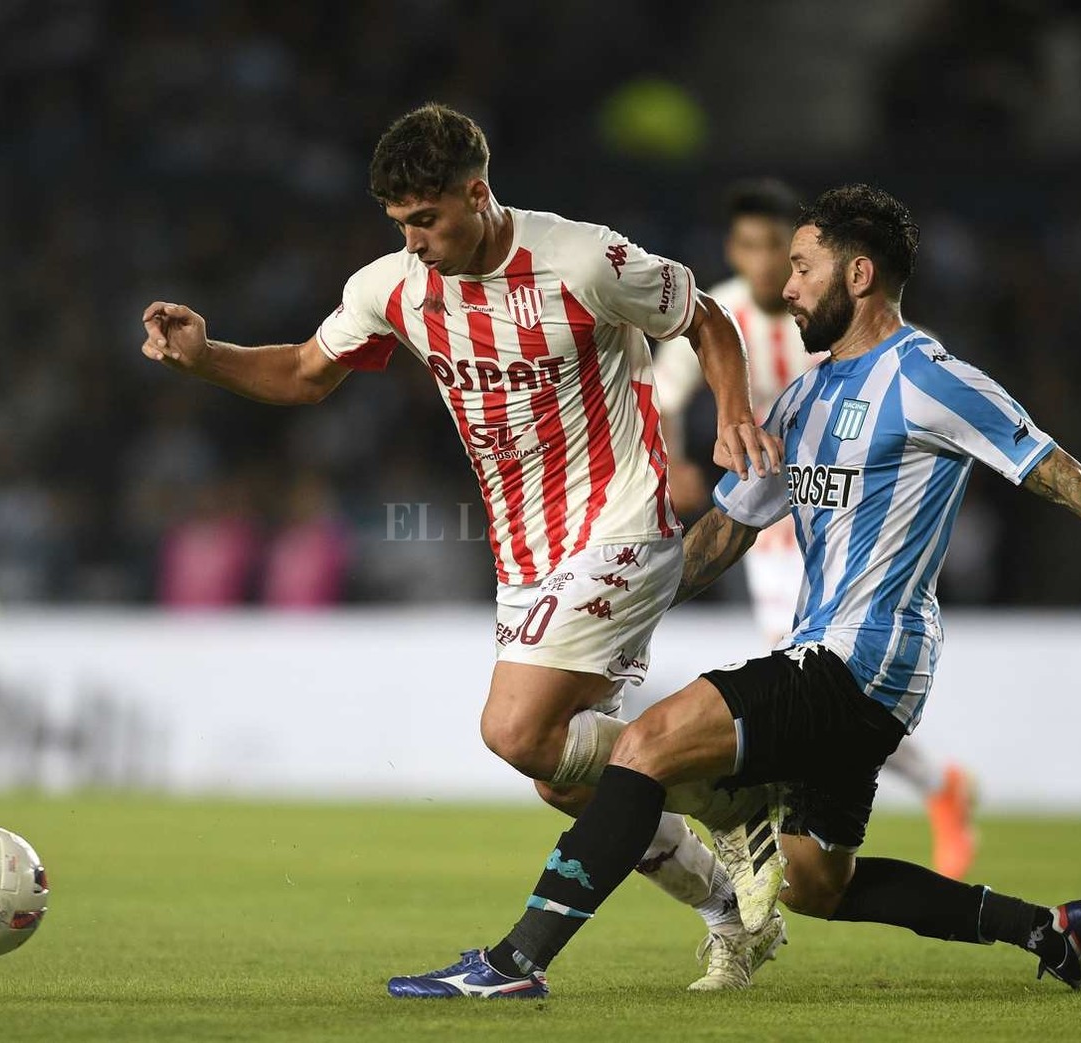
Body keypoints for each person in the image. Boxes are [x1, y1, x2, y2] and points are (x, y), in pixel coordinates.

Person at [389, 183, 1081, 999]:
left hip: (860, 656)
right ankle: (1052, 932)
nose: (787, 286)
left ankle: (515, 963)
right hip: (851, 672)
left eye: (804, 268)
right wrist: (612, 610)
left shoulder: (931, 379)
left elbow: (1070, 480)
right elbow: (722, 534)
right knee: (818, 882)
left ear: (860, 273)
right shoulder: (804, 398)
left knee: (646, 747)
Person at [140, 103, 788, 990]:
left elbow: (709, 320)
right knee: (559, 774)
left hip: (622, 519)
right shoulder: (393, 286)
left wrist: (734, 416)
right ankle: (728, 908)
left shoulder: (583, 258)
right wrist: (206, 354)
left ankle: (725, 789)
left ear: (477, 194)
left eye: (427, 219)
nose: (414, 241)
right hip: (525, 554)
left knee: (512, 726)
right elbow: (302, 372)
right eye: (399, 223)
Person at [655, 179, 978, 880]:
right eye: (748, 246)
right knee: (804, 676)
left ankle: (915, 791)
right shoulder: (724, 317)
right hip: (768, 520)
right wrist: (678, 460)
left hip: (848, 516)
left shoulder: (836, 317)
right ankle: (925, 787)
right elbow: (663, 394)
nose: (767, 265)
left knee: (819, 683)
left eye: (781, 250)